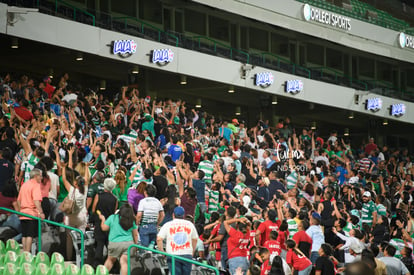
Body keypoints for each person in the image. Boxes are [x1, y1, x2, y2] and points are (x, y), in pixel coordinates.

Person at [157, 206, 198, 275]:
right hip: (187, 254)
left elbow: (159, 239)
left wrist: (162, 252)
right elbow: (195, 239)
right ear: (183, 215)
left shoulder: (168, 225)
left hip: (173, 254)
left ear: (173, 214)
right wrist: (192, 251)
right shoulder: (190, 224)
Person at [98, 204, 138, 275]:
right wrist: (136, 245)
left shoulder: (113, 217)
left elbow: (104, 228)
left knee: (110, 261)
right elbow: (135, 234)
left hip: (115, 243)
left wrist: (103, 219)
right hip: (129, 244)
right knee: (124, 262)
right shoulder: (132, 220)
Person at [92, 178, 118, 267]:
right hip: (109, 224)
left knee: (99, 243)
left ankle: (96, 264)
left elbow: (93, 209)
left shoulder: (98, 196)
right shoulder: (115, 199)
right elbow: (114, 212)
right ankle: (113, 265)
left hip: (99, 222)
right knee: (108, 244)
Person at [16, 168, 44, 251]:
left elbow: (18, 200)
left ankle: (25, 252)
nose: (41, 178)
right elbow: (36, 201)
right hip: (31, 214)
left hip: (23, 214)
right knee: (29, 235)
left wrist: (20, 210)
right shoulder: (35, 185)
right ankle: (27, 253)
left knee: (24, 235)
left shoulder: (24, 184)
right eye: (40, 176)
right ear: (36, 176)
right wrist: (41, 212)